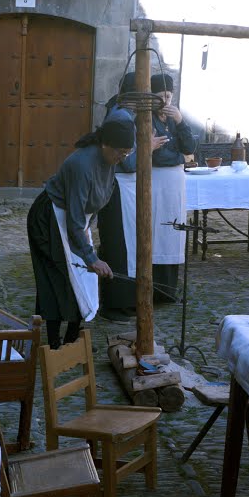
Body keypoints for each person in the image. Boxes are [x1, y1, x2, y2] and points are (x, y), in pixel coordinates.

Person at [27, 108, 134, 349]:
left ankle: (73, 336)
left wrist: (88, 245)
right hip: (49, 219)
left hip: (75, 219)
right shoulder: (82, 165)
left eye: (127, 152)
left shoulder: (111, 159)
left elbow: (122, 115)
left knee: (83, 277)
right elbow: (74, 219)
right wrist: (90, 256)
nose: (123, 157)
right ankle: (55, 343)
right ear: (105, 144)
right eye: (120, 151)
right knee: (59, 277)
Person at [98, 72, 196, 320]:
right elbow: (125, 162)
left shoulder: (128, 115)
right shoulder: (120, 116)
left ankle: (126, 301)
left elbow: (187, 149)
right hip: (119, 188)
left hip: (128, 188)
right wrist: (147, 147)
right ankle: (117, 304)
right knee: (120, 247)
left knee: (129, 246)